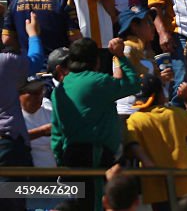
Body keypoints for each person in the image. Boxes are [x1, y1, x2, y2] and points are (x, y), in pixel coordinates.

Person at [51, 37, 140, 207]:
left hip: (70, 158)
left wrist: (61, 161)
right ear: (97, 60)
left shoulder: (59, 90)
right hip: (96, 157)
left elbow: (57, 132)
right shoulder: (100, 81)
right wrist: (120, 56)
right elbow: (133, 84)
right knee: (97, 204)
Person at [125, 74, 187, 208]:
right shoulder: (174, 114)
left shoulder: (134, 120)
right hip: (186, 183)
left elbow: (132, 144)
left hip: (156, 185)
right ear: (161, 94)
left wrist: (146, 161)